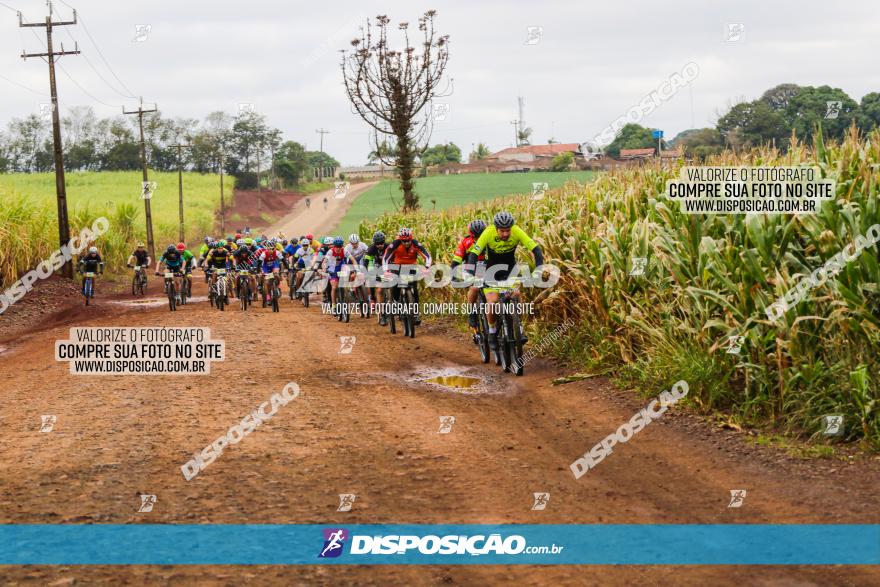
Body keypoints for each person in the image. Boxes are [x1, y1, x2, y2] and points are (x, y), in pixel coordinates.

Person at [466, 211, 543, 350]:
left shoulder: (516, 231)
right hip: (491, 271)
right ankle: (492, 332)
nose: (506, 234)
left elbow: (536, 250)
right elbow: (473, 254)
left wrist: (538, 269)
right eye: (502, 231)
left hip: (510, 270)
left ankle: (517, 326)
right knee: (493, 302)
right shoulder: (488, 232)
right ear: (496, 229)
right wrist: (472, 273)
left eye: (508, 230)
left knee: (516, 295)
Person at [382, 227, 432, 325]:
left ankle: (415, 313)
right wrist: (386, 271)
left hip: (411, 267)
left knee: (414, 289)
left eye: (408, 241)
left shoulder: (415, 243)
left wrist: (427, 268)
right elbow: (385, 258)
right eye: (404, 241)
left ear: (411, 238)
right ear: (400, 240)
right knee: (395, 283)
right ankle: (395, 302)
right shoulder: (395, 244)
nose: (406, 243)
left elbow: (427, 256)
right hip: (397, 266)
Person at [452, 219, 487, 328]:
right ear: (472, 235)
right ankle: (472, 312)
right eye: (476, 236)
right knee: (475, 288)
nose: (479, 239)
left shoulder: (489, 240)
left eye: (481, 235)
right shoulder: (465, 242)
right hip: (470, 267)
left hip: (486, 266)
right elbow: (456, 261)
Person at [364, 231, 390, 325]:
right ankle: (382, 314)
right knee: (379, 290)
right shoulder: (371, 249)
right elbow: (366, 262)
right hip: (378, 267)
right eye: (377, 244)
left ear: (384, 241)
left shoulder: (389, 247)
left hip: (389, 267)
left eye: (382, 243)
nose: (380, 245)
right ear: (374, 243)